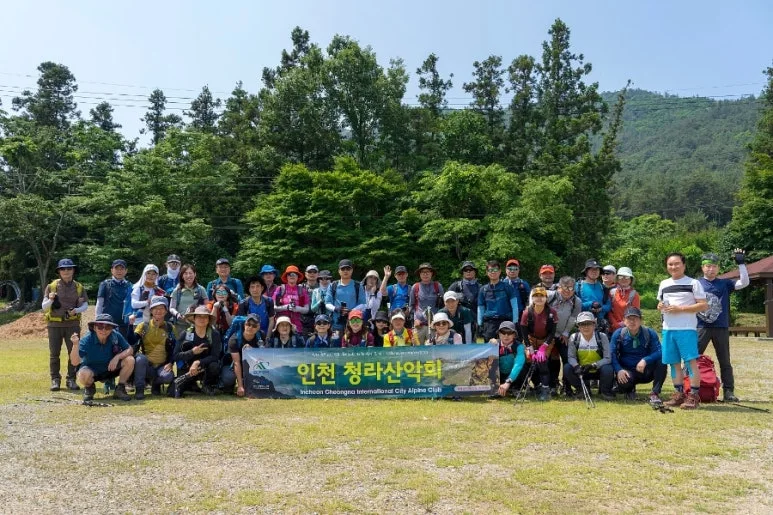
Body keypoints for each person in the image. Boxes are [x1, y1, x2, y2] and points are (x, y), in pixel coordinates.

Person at [658, 252, 708, 410]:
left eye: (676, 263)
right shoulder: (664, 283)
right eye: (670, 264)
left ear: (684, 265)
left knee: (690, 362)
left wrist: (680, 309)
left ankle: (693, 396)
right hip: (668, 329)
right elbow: (660, 304)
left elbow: (703, 305)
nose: (673, 267)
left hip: (686, 329)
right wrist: (660, 306)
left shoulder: (693, 283)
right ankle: (678, 394)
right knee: (673, 363)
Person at [697, 249, 749, 402]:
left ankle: (728, 391)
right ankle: (688, 389)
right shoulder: (695, 283)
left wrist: (741, 264)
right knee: (692, 358)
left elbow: (744, 283)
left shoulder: (724, 283)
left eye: (714, 266)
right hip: (700, 326)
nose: (711, 269)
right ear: (702, 267)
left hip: (721, 326)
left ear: (718, 268)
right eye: (708, 266)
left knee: (725, 360)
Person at [42, 258, 89, 391]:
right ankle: (55, 380)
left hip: (72, 324)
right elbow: (44, 307)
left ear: (73, 270)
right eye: (63, 269)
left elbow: (85, 305)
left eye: (69, 268)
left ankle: (71, 380)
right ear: (59, 271)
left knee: (73, 353)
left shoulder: (79, 287)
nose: (66, 271)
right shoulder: (51, 287)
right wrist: (51, 299)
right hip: (54, 325)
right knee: (54, 354)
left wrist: (76, 310)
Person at [69, 314, 134, 401]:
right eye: (100, 326)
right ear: (94, 328)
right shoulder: (87, 339)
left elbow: (130, 349)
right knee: (83, 374)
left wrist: (117, 357)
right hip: (92, 371)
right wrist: (75, 345)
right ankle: (89, 388)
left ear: (112, 329)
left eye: (108, 327)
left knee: (130, 360)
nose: (104, 330)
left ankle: (120, 389)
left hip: (111, 369)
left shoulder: (115, 335)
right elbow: (74, 362)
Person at [609, 307, 668, 403]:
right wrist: (618, 370)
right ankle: (629, 389)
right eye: (629, 318)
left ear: (641, 320)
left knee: (662, 361)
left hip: (645, 370)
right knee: (624, 383)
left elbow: (660, 351)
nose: (632, 321)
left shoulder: (649, 333)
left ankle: (655, 393)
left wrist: (645, 360)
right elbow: (612, 354)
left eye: (635, 318)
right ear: (624, 320)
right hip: (627, 371)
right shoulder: (618, 334)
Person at [172, 305, 223, 397]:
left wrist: (198, 362)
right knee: (173, 392)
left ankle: (207, 385)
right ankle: (191, 385)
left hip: (205, 367)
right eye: (199, 316)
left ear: (208, 320)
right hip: (188, 368)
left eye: (205, 317)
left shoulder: (214, 334)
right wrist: (192, 352)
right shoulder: (185, 333)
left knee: (214, 366)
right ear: (194, 319)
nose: (202, 319)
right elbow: (176, 355)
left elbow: (215, 356)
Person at [132, 296, 175, 399]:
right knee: (140, 359)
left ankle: (155, 384)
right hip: (147, 365)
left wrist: (171, 363)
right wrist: (130, 325)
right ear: (151, 310)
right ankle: (139, 389)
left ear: (166, 311)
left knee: (168, 377)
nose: (158, 311)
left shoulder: (170, 328)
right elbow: (132, 340)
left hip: (162, 366)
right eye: (155, 308)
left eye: (161, 308)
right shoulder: (143, 326)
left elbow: (175, 348)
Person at [564, 311, 614, 400]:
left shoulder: (602, 337)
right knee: (567, 368)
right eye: (582, 324)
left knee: (608, 368)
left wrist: (593, 365)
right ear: (578, 326)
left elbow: (608, 358)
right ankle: (582, 390)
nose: (586, 327)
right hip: (582, 370)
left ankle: (605, 391)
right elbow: (571, 357)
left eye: (589, 323)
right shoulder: (574, 337)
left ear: (594, 325)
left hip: (598, 369)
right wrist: (576, 366)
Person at [519, 286, 558, 401]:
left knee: (542, 361)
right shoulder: (527, 312)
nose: (539, 298)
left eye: (542, 296)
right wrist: (529, 347)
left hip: (546, 340)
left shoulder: (552, 312)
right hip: (531, 339)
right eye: (536, 296)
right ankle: (534, 385)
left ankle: (545, 388)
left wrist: (544, 346)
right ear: (532, 298)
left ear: (546, 298)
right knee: (528, 360)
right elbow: (524, 331)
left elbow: (552, 332)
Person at [546, 276, 582, 395]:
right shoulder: (550, 295)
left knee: (567, 359)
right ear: (559, 287)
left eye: (571, 288)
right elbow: (534, 296)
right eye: (565, 288)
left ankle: (567, 387)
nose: (568, 291)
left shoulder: (577, 301)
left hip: (563, 334)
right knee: (550, 360)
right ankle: (551, 385)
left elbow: (573, 318)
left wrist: (566, 333)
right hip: (548, 334)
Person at [222, 313, 265, 397]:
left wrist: (253, 351)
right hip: (233, 366)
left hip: (252, 366)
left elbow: (263, 357)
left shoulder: (261, 336)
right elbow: (236, 363)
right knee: (228, 379)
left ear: (258, 327)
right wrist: (240, 386)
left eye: (254, 326)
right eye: (248, 324)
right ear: (244, 324)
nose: (250, 327)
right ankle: (233, 384)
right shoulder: (234, 339)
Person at [477, 260, 519, 342]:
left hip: (505, 322)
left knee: (507, 346)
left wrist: (515, 322)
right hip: (489, 324)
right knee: (489, 347)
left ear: (500, 271)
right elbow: (480, 308)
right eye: (490, 270)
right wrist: (479, 324)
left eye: (495, 270)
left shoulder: (507, 287)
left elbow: (515, 306)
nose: (493, 272)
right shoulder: (483, 289)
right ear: (487, 272)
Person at [325, 259, 366, 334]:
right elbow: (327, 303)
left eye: (348, 269)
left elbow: (363, 304)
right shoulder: (333, 285)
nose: (345, 271)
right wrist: (336, 309)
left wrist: (351, 311)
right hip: (336, 322)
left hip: (354, 322)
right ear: (339, 271)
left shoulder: (358, 285)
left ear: (352, 270)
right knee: (336, 341)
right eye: (343, 269)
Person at [408, 263, 445, 344]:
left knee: (434, 348)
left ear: (431, 273)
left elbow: (443, 306)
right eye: (423, 272)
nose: (425, 274)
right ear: (419, 274)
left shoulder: (438, 286)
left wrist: (439, 321)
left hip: (434, 325)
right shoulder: (415, 287)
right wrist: (415, 320)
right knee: (417, 349)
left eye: (427, 272)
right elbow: (411, 306)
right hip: (419, 325)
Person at [169, 264, 209, 338]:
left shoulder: (201, 289)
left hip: (197, 325)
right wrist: (177, 314)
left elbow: (207, 306)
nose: (188, 276)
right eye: (185, 273)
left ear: (195, 274)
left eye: (190, 273)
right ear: (182, 276)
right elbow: (171, 308)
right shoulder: (177, 291)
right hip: (180, 325)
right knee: (181, 343)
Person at [95, 259, 132, 338]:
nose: (119, 271)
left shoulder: (130, 286)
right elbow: (99, 304)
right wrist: (98, 321)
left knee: (123, 344)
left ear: (126, 271)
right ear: (112, 270)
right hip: (107, 323)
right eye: (116, 269)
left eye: (121, 269)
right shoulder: (105, 284)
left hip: (125, 324)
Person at [493, 321, 528, 398]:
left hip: (514, 376)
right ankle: (495, 387)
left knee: (522, 366)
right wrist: (489, 344)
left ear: (514, 335)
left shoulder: (519, 346)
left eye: (509, 333)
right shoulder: (494, 345)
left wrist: (508, 382)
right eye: (503, 332)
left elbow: (518, 365)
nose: (506, 335)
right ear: (499, 334)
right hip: (500, 374)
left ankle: (516, 388)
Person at [273, 265, 310, 334]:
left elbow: (307, 309)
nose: (292, 276)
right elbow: (273, 307)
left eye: (294, 274)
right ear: (286, 277)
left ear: (298, 277)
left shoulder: (302, 290)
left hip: (298, 326)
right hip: (282, 325)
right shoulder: (280, 289)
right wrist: (286, 307)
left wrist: (298, 308)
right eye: (289, 274)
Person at [576, 259, 611, 330]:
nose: (594, 271)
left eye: (597, 269)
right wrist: (590, 304)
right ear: (586, 271)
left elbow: (609, 306)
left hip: (600, 324)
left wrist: (601, 308)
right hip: (583, 323)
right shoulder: (578, 286)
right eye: (592, 269)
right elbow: (575, 306)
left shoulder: (603, 287)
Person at [607, 267, 640, 331]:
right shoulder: (612, 292)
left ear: (631, 279)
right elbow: (609, 310)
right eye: (621, 277)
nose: (624, 279)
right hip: (613, 327)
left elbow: (635, 313)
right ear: (617, 279)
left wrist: (622, 324)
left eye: (627, 277)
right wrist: (615, 323)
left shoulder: (634, 294)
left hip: (628, 328)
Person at [301, 264, 322, 335]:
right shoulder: (300, 287)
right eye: (310, 272)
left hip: (320, 319)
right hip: (303, 320)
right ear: (305, 274)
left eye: (314, 272)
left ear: (318, 274)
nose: (312, 274)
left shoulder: (323, 287)